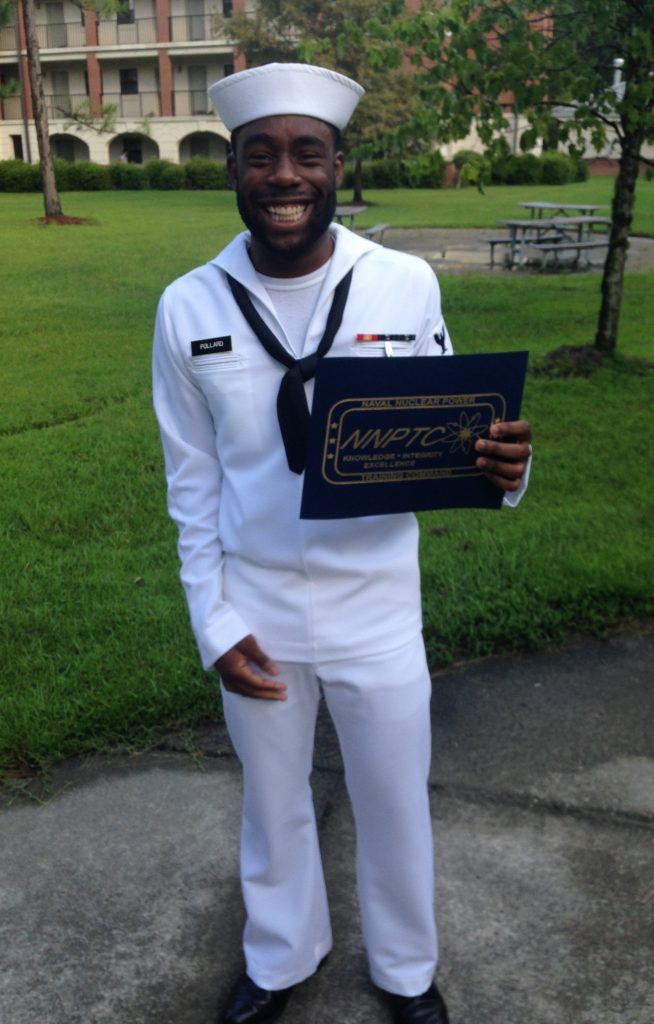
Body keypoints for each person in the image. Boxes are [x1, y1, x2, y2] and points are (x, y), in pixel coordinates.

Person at [152, 62, 532, 1024]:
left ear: (337, 164)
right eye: (261, 155)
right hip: (259, 605)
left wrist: (505, 466)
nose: (285, 176)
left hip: (377, 603)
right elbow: (191, 486)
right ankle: (281, 958)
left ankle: (407, 974)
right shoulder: (187, 306)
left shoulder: (401, 283)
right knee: (271, 803)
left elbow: (461, 435)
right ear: (231, 168)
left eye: (306, 154)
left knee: (395, 800)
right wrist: (213, 621)